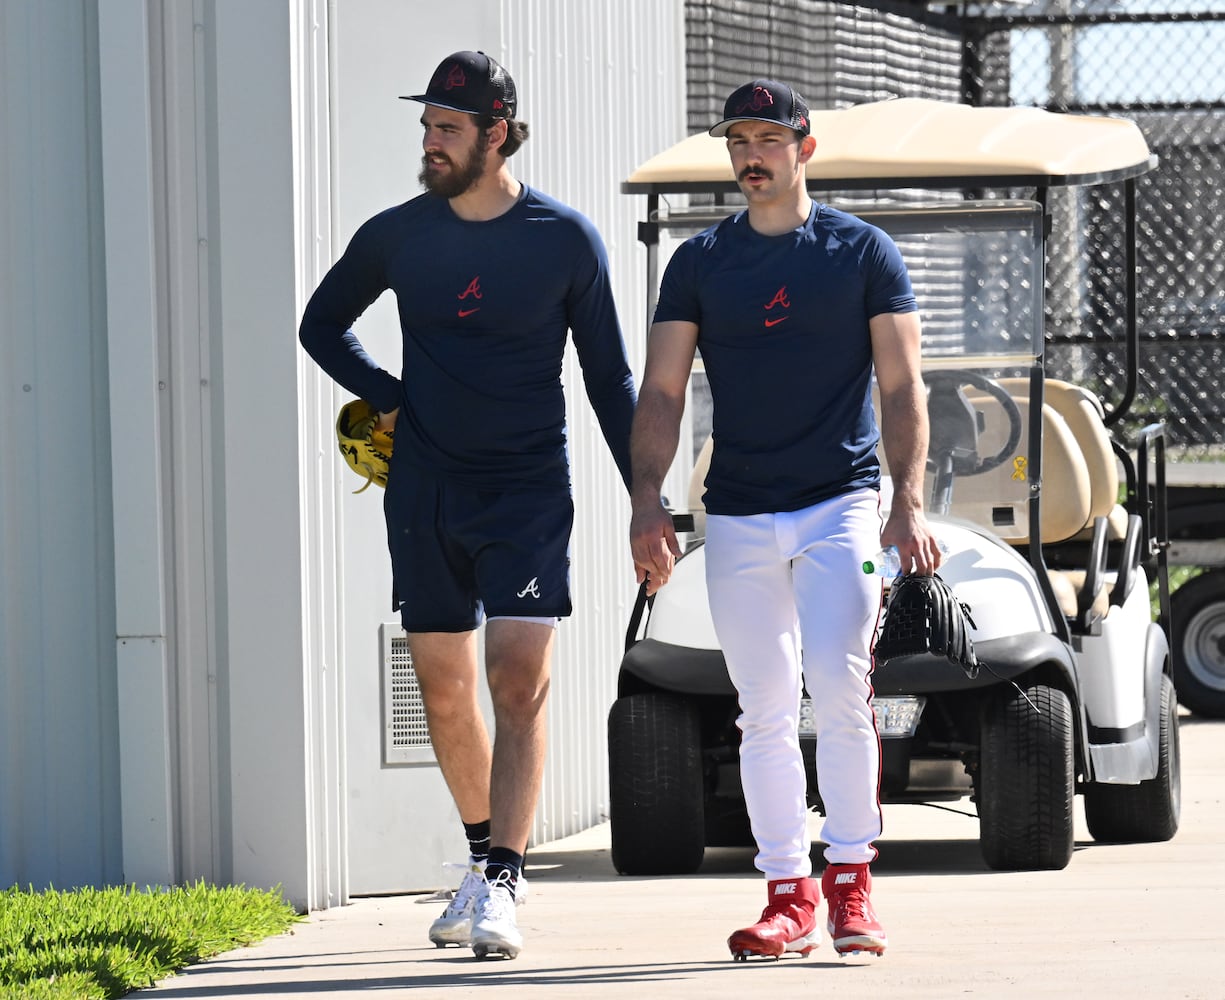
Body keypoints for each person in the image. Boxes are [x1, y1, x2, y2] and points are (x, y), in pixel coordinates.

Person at [300, 50, 636, 960]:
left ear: (497, 132)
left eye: (447, 127)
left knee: (516, 682)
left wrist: (646, 501)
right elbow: (319, 323)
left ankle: (506, 883)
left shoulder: (563, 239)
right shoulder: (399, 234)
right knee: (445, 693)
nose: (430, 141)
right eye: (426, 126)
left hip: (526, 487)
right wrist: (387, 392)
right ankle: (482, 862)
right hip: (423, 491)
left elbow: (607, 378)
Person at [628, 78, 940, 961]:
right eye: (737, 141)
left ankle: (851, 884)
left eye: (767, 139)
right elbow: (660, 389)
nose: (750, 156)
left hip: (840, 503)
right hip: (736, 513)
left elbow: (902, 385)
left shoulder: (862, 252)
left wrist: (905, 502)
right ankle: (787, 895)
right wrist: (647, 503)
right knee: (761, 707)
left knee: (840, 689)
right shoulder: (698, 261)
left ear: (804, 150)